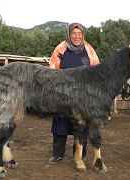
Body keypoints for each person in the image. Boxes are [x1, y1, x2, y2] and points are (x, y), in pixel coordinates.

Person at [48, 23, 100, 164]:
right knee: (60, 123)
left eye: (79, 33)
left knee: (82, 125)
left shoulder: (89, 50)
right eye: (74, 33)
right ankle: (57, 154)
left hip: (83, 96)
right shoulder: (60, 49)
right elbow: (52, 70)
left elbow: (96, 72)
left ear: (83, 35)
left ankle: (80, 154)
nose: (77, 36)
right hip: (62, 93)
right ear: (69, 35)